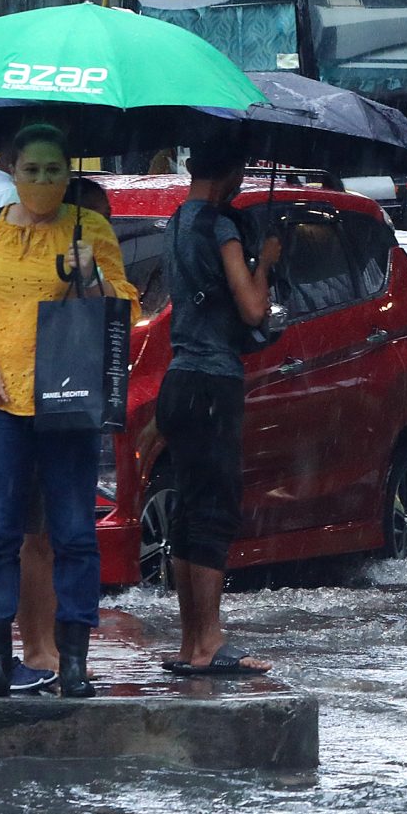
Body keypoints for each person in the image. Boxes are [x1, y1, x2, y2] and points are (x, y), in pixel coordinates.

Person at [0, 124, 135, 698]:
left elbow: (124, 308)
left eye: (53, 171)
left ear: (68, 176)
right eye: (32, 171)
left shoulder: (89, 228)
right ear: (13, 174)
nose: (42, 181)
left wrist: (89, 277)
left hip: (67, 401)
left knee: (73, 532)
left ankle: (71, 662)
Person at [158, 134, 280, 676]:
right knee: (213, 514)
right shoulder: (220, 225)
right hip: (214, 385)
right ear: (230, 171)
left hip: (178, 381)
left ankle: (190, 644)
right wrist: (267, 262)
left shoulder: (177, 222)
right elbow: (253, 309)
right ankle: (209, 643)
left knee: (187, 511)